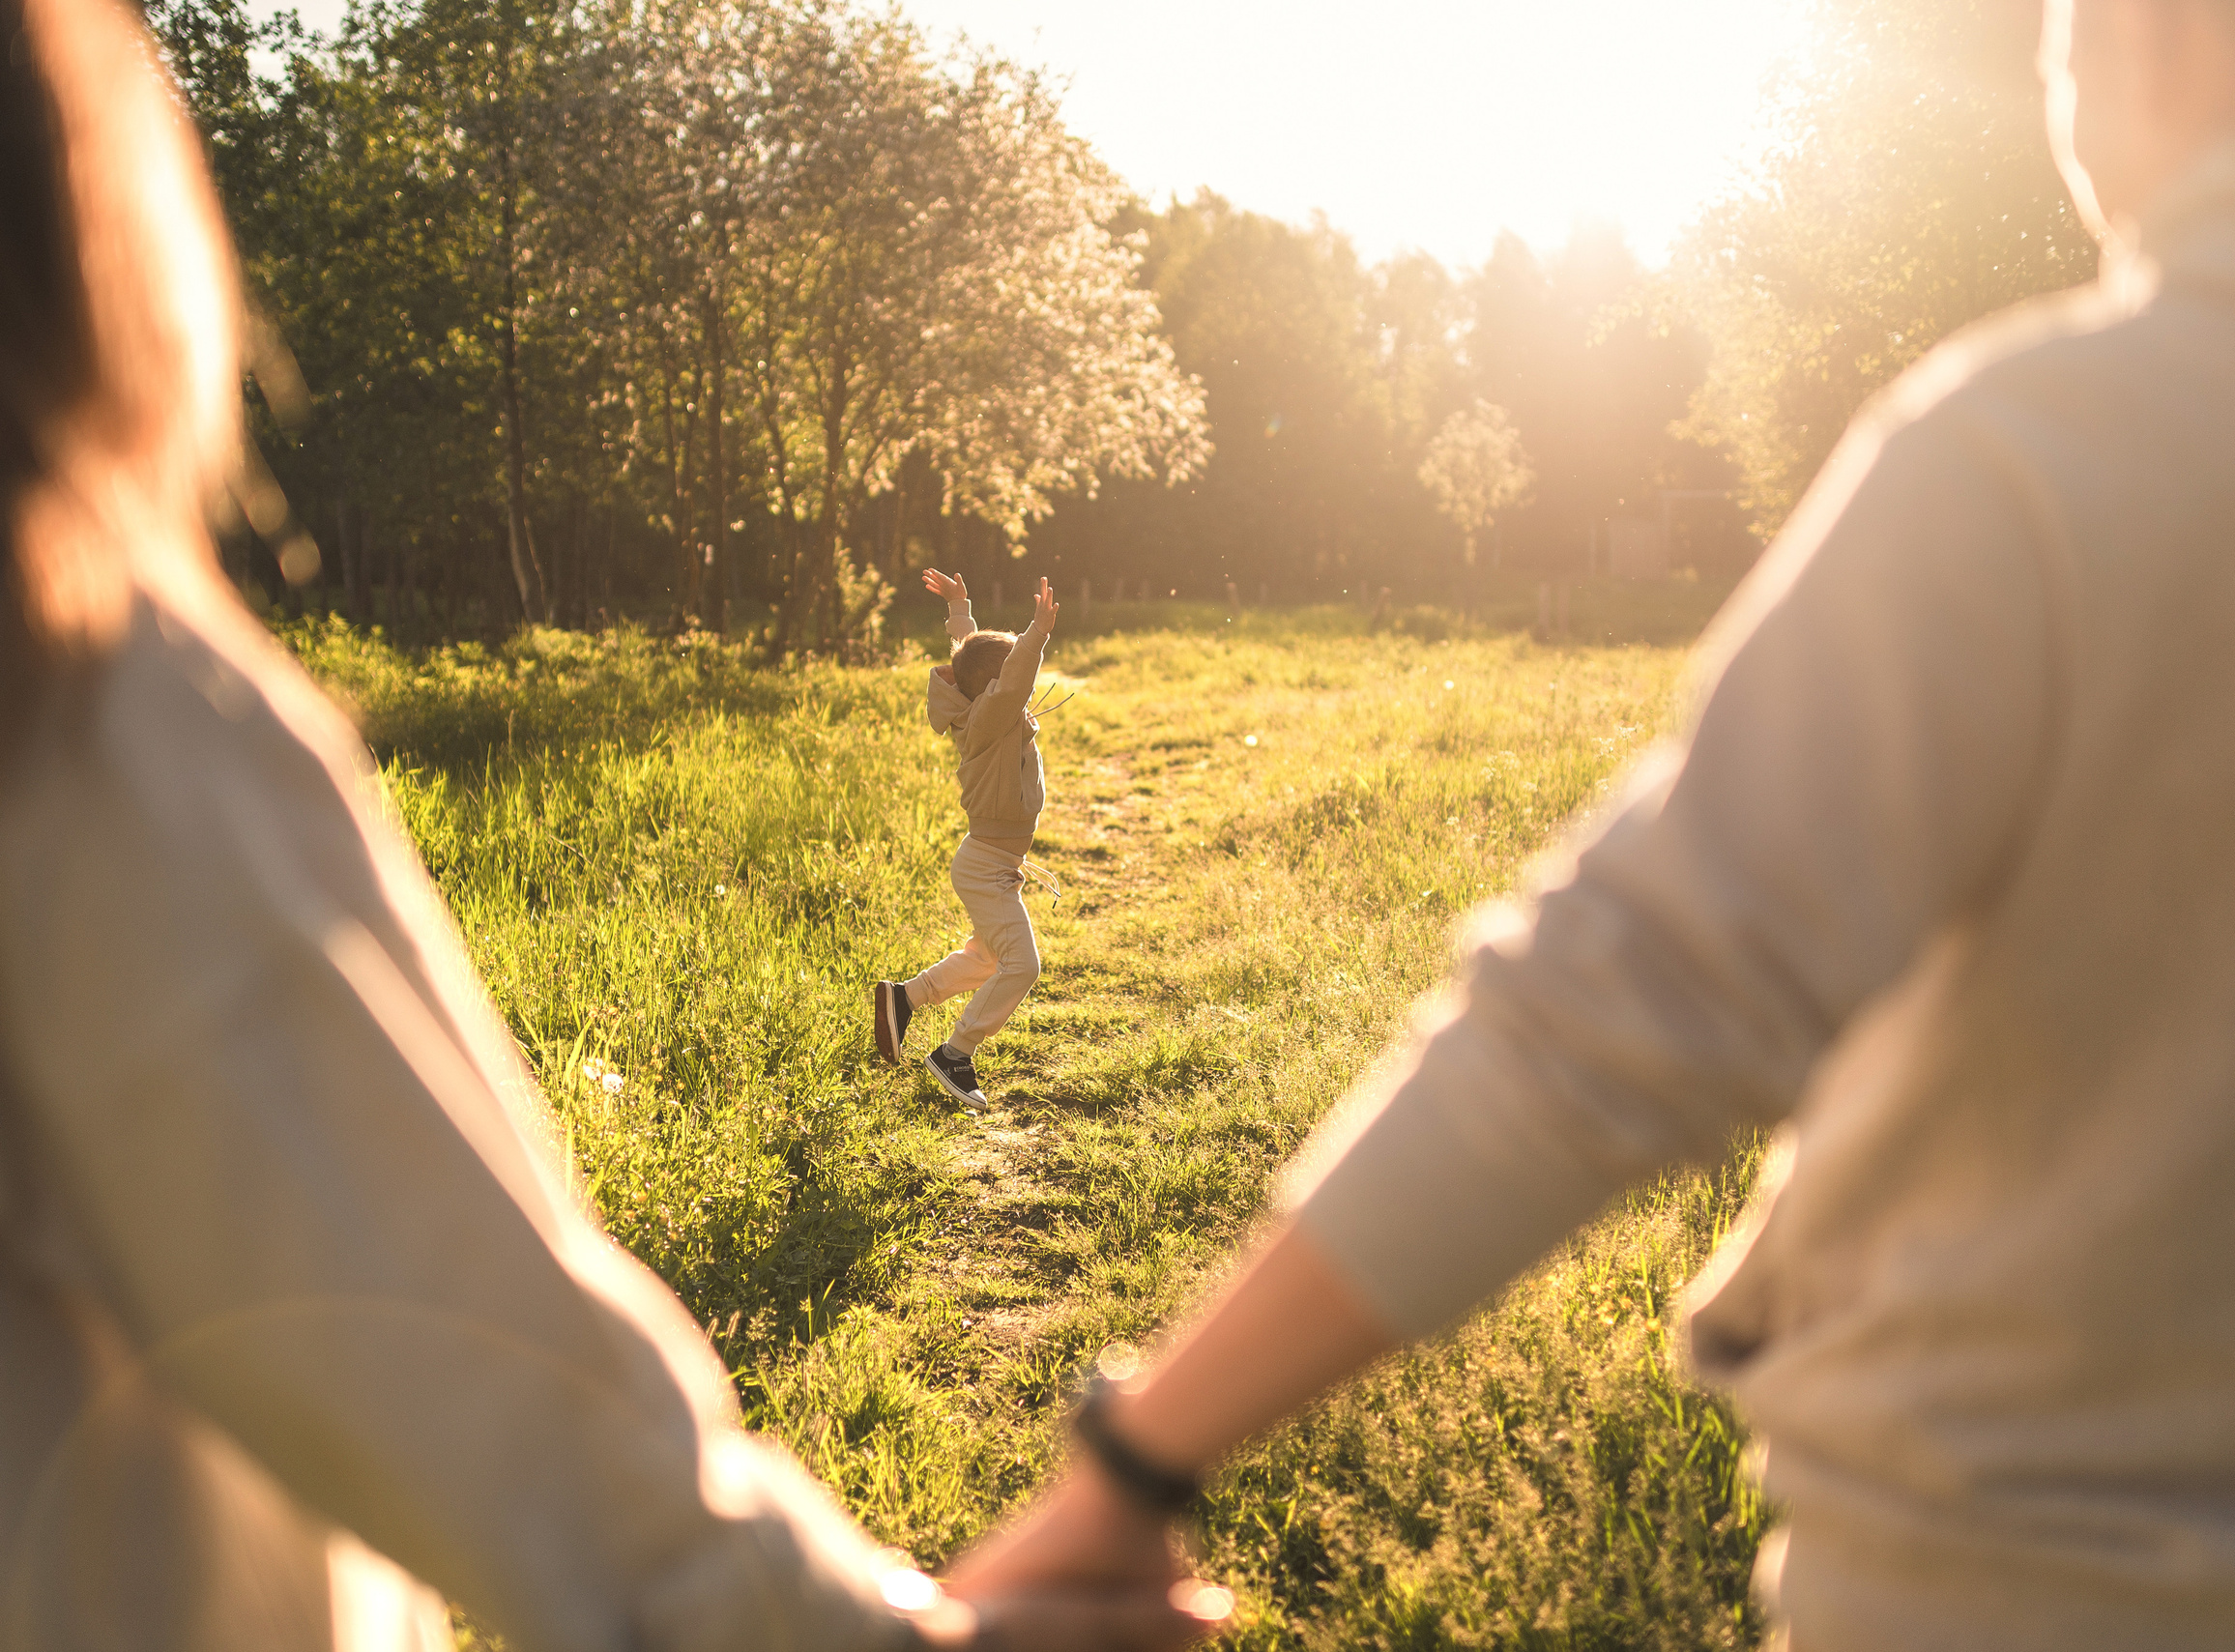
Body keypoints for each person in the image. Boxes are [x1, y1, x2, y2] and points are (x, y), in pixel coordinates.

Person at [0, 4, 1226, 1648]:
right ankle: (930, 1023)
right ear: (56, 198)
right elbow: (486, 1369)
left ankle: (918, 1010)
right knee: (995, 955)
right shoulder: (53, 715)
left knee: (980, 946)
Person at [941, 1, 2235, 1646]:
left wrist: (1132, 1460)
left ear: (2161, 29)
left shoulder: (2051, 456)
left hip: (2021, 1581)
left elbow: (1609, 1014)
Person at [874, 571, 1059, 1110]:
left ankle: (903, 999)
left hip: (993, 863)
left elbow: (971, 661)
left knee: (985, 958)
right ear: (999, 687)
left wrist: (960, 607)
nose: (1020, 689)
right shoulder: (993, 717)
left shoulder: (984, 708)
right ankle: (954, 1054)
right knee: (1022, 966)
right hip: (984, 865)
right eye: (1011, 680)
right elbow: (1005, 673)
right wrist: (1038, 631)